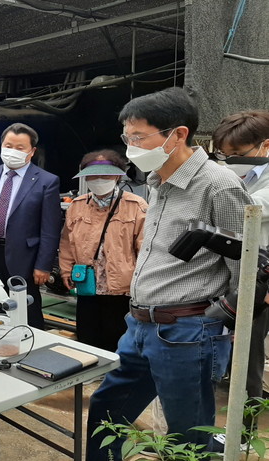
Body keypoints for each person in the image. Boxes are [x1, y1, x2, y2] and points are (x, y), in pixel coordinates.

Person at [86, 87, 252, 461]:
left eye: (139, 137)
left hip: (186, 332)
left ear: (177, 134)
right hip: (140, 326)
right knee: (106, 411)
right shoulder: (157, 181)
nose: (131, 147)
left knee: (187, 438)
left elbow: (246, 270)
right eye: (127, 138)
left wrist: (219, 321)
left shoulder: (219, 185)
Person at [0, 122, 61, 329]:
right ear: (0, 146)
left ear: (31, 151)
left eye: (20, 147)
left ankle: (33, 343)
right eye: (8, 146)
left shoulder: (46, 181)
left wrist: (44, 265)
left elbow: (50, 229)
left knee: (27, 309)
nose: (12, 151)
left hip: (24, 256)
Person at [211, 110, 269, 441]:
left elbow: (246, 207)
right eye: (224, 154)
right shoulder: (243, 176)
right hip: (242, 277)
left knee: (248, 359)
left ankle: (242, 437)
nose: (230, 160)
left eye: (237, 153)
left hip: (261, 283)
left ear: (265, 146)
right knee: (240, 355)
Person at [59, 150, 147, 352]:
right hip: (87, 285)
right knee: (87, 336)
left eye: (105, 175)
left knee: (119, 339)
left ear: (117, 176)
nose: (99, 180)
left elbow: (144, 248)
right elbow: (66, 242)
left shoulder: (136, 206)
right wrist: (66, 270)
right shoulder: (77, 206)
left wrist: (141, 283)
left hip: (121, 289)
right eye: (93, 175)